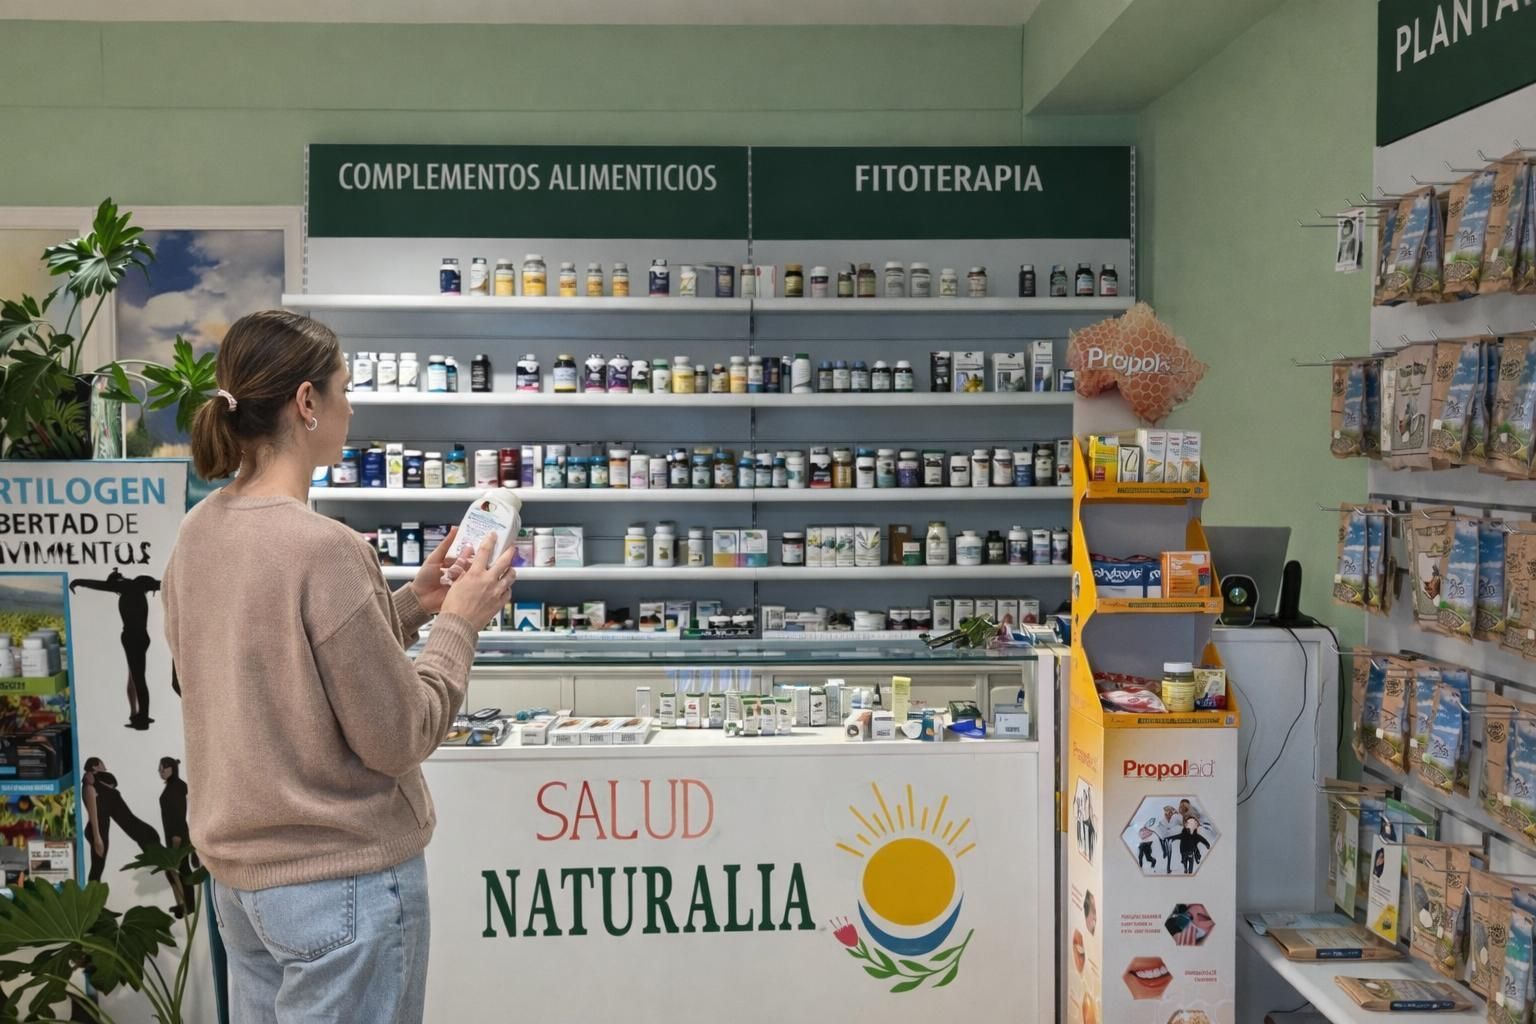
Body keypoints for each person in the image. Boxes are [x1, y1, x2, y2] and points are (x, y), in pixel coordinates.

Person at [162, 310, 513, 1024]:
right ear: (306, 402)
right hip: (342, 886)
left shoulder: (199, 532)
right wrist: (460, 623)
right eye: (344, 389)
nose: (352, 407)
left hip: (245, 890)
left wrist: (414, 601)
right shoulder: (326, 548)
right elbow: (398, 735)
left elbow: (266, 667)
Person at [69, 569, 165, 730]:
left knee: (138, 678)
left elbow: (99, 585)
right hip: (142, 637)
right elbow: (164, 583)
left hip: (131, 638)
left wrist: (79, 582)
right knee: (135, 677)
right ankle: (137, 715)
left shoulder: (124, 588)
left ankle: (142, 718)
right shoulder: (140, 585)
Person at [82, 756, 161, 881]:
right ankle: (91, 896)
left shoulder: (102, 780)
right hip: (98, 828)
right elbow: (93, 813)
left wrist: (96, 780)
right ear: (95, 766)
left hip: (108, 826)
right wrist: (97, 838)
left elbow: (112, 785)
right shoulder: (89, 786)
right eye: (101, 763)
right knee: (97, 868)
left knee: (148, 834)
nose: (104, 765)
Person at [158, 756, 192, 917]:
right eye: (160, 768)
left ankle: (185, 905)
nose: (160, 771)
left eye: (163, 768)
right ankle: (183, 904)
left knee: (179, 870)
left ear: (172, 768)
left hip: (177, 835)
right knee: (178, 870)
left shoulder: (177, 787)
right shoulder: (173, 786)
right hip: (172, 834)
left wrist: (177, 837)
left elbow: (179, 812)